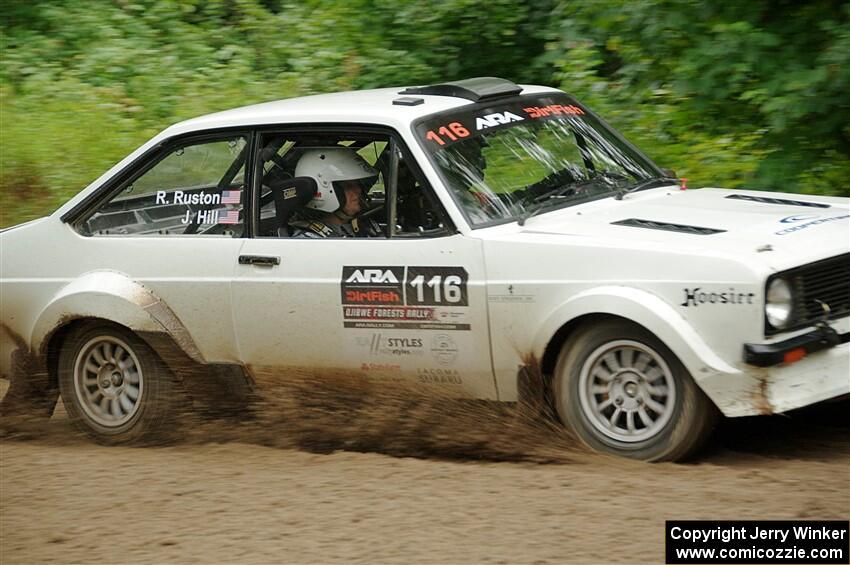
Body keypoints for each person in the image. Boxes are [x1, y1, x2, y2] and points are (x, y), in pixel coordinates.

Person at [289, 147, 382, 238]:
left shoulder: (362, 227)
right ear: (322, 191)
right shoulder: (309, 243)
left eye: (357, 184)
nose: (358, 190)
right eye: (349, 186)